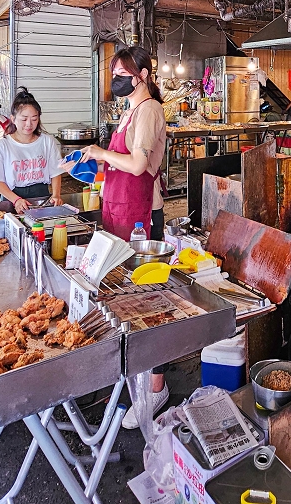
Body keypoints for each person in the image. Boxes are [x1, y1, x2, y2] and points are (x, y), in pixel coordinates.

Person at [78, 46, 167, 428]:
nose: (116, 78)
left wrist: (100, 152)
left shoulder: (149, 110)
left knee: (149, 299)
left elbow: (136, 165)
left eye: (123, 72)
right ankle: (133, 377)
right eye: (113, 71)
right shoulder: (129, 111)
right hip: (119, 210)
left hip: (142, 215)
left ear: (143, 75)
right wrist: (96, 163)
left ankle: (156, 387)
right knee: (125, 298)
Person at [0, 88, 63, 211]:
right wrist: (16, 200)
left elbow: (56, 171)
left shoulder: (47, 141)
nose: (29, 124)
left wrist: (56, 195)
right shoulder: (3, 145)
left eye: (34, 119)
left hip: (41, 196)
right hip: (11, 198)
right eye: (24, 119)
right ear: (13, 119)